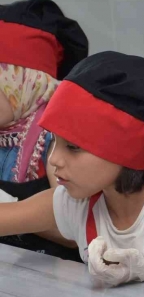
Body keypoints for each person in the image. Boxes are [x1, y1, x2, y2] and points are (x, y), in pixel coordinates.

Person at [0, 51, 144, 297]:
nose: (54, 160)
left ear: (122, 150)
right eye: (54, 143)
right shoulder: (75, 203)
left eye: (73, 147)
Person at [0, 0, 88, 261]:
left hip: (58, 281)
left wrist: (7, 206)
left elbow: (76, 234)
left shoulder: (58, 137)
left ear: (26, 83)